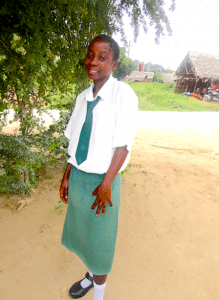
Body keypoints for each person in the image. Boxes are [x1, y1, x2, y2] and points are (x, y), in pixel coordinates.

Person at [60, 34, 138, 300]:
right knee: (84, 235)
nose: (93, 62)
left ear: (114, 63)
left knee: (101, 242)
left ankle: (99, 295)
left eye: (102, 57)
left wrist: (106, 184)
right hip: (80, 178)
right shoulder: (83, 98)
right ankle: (90, 277)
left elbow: (123, 145)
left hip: (103, 183)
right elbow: (76, 141)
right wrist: (67, 175)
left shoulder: (122, 94)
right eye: (90, 55)